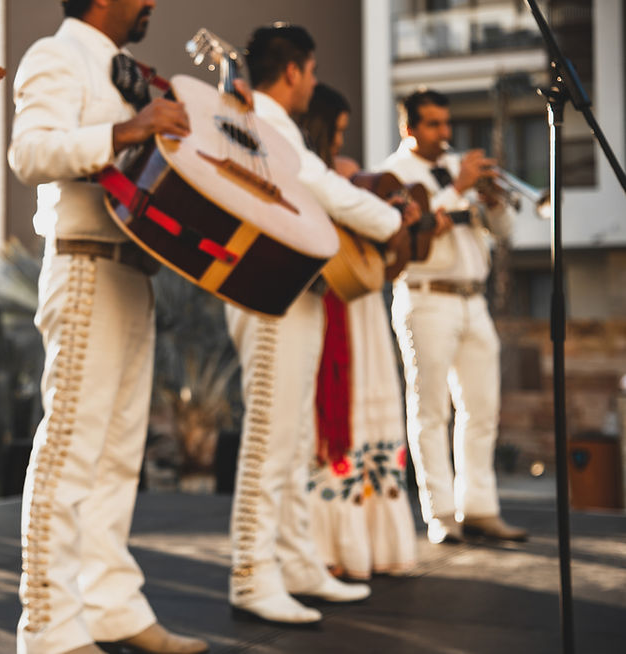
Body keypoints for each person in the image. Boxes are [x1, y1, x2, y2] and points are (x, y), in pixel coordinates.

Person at [7, 2, 207, 653]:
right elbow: (29, 153)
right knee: (70, 450)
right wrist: (131, 129)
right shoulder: (55, 55)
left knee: (119, 457)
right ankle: (48, 626)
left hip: (132, 275)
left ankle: (111, 606)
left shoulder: (128, 74)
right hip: (86, 266)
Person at [225, 24, 417, 626]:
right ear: (292, 71)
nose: (312, 83)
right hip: (270, 289)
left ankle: (299, 562)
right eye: (309, 72)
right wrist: (390, 220)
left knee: (298, 442)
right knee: (270, 439)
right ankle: (252, 576)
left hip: (294, 289)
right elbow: (317, 184)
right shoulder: (265, 120)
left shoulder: (262, 118)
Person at [378, 89, 528, 545]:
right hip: (426, 297)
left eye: (446, 123)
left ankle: (479, 507)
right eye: (433, 124)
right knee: (430, 411)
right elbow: (402, 230)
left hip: (473, 298)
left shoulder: (454, 168)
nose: (445, 133)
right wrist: (458, 188)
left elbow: (504, 234)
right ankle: (441, 514)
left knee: (482, 409)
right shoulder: (391, 174)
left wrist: (495, 202)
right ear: (409, 128)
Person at [298, 84, 419, 580]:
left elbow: (388, 267)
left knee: (368, 423)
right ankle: (328, 547)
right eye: (339, 129)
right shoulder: (312, 176)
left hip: (362, 309)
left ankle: (368, 545)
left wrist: (404, 227)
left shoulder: (351, 176)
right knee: (324, 422)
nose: (342, 141)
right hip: (323, 307)